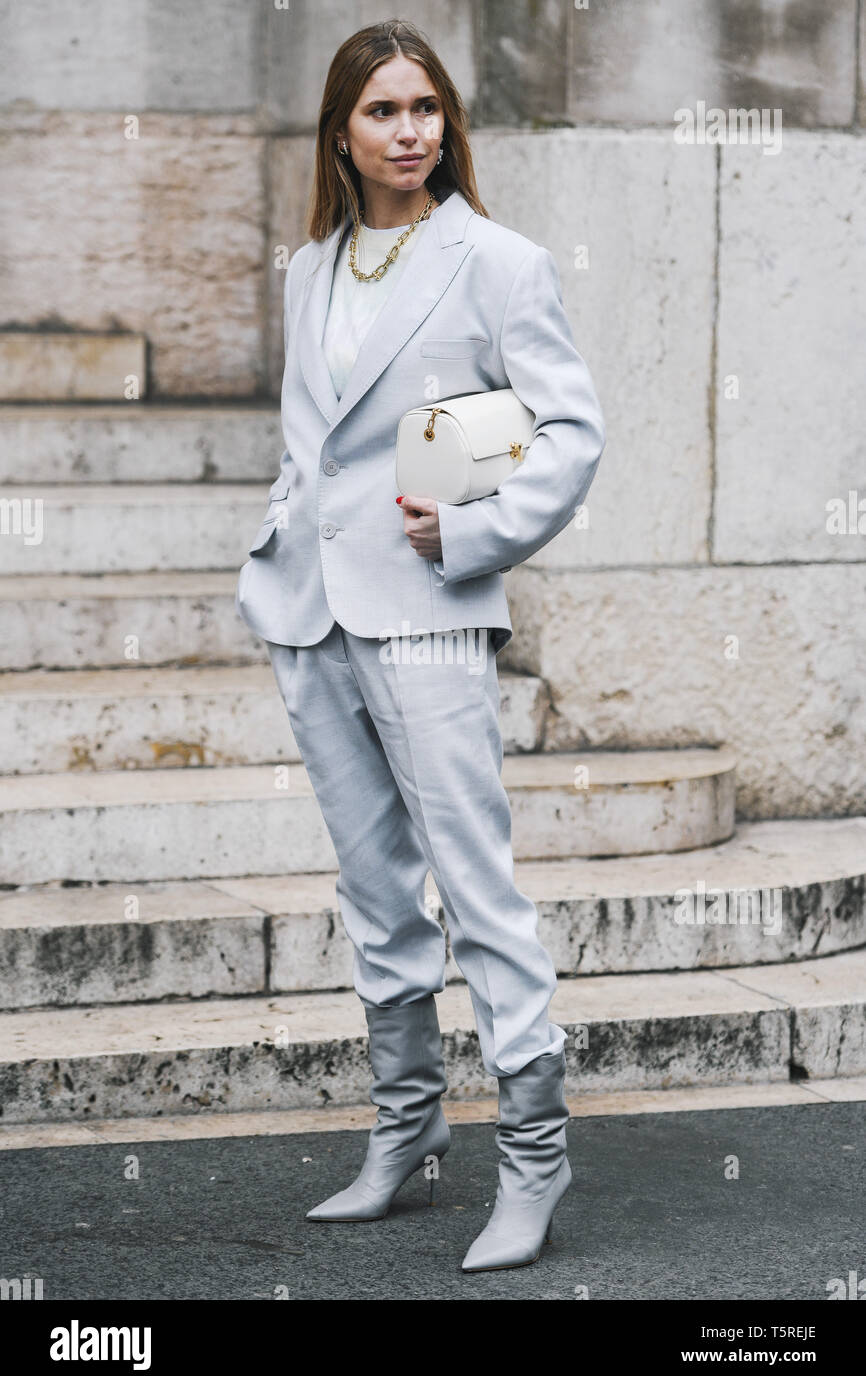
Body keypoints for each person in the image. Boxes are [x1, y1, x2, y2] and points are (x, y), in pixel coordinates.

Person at [235, 18, 606, 1273]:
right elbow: (312, 441)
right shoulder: (309, 269)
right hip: (313, 614)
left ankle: (534, 1160)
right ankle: (404, 1134)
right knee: (374, 889)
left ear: (448, 122)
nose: (409, 132)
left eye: (426, 109)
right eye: (383, 111)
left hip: (432, 606)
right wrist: (279, 537)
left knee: (475, 883)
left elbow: (566, 431)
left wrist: (471, 526)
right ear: (340, 131)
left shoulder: (499, 262)